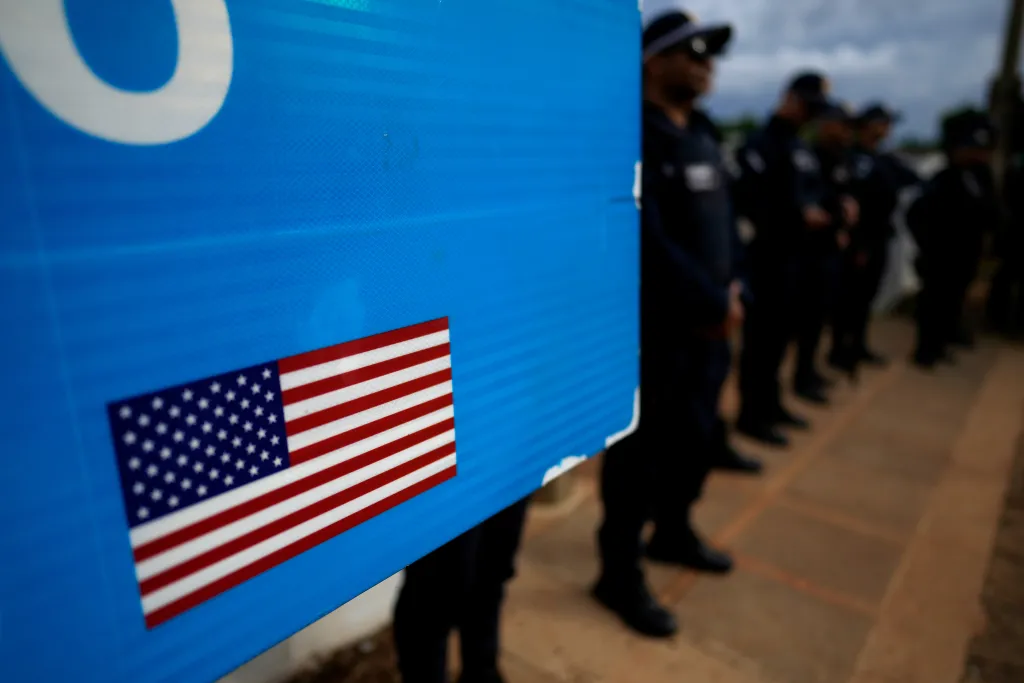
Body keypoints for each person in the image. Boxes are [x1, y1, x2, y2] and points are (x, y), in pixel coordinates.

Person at [594, 9, 748, 639]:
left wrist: (737, 287)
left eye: (709, 56)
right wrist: (713, 300)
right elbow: (646, 240)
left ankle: (674, 530)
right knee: (639, 459)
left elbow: (726, 228)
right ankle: (618, 572)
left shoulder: (706, 133)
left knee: (697, 439)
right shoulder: (631, 134)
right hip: (656, 334)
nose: (704, 65)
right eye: (690, 53)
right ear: (651, 61)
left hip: (710, 330)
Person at [733, 72, 833, 446]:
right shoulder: (761, 144)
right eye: (808, 106)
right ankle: (751, 414)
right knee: (759, 344)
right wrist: (797, 214)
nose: (811, 115)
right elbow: (751, 201)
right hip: (767, 260)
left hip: (798, 260)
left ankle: (771, 405)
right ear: (789, 99)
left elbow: (817, 192)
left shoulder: (801, 148)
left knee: (779, 341)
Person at [393, 496, 530, 683]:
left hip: (508, 471)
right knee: (433, 596)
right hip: (444, 482)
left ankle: (482, 671)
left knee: (493, 567)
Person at [907, 111, 999, 368]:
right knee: (933, 302)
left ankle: (941, 343)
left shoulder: (980, 176)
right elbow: (917, 215)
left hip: (966, 252)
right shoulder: (942, 177)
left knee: (952, 300)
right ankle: (925, 350)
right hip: (939, 253)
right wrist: (926, 245)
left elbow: (990, 210)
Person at [828, 104, 906, 375]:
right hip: (860, 240)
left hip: (879, 237)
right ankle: (839, 349)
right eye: (883, 123)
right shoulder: (854, 158)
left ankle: (857, 344)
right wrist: (858, 242)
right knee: (849, 297)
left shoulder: (884, 158)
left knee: (865, 297)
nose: (887, 129)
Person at [793, 102, 859, 404]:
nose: (846, 131)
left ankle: (808, 370)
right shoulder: (809, 155)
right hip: (807, 252)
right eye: (841, 124)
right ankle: (801, 377)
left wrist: (844, 213)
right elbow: (807, 204)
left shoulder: (840, 157)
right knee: (804, 318)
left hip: (830, 248)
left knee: (819, 317)